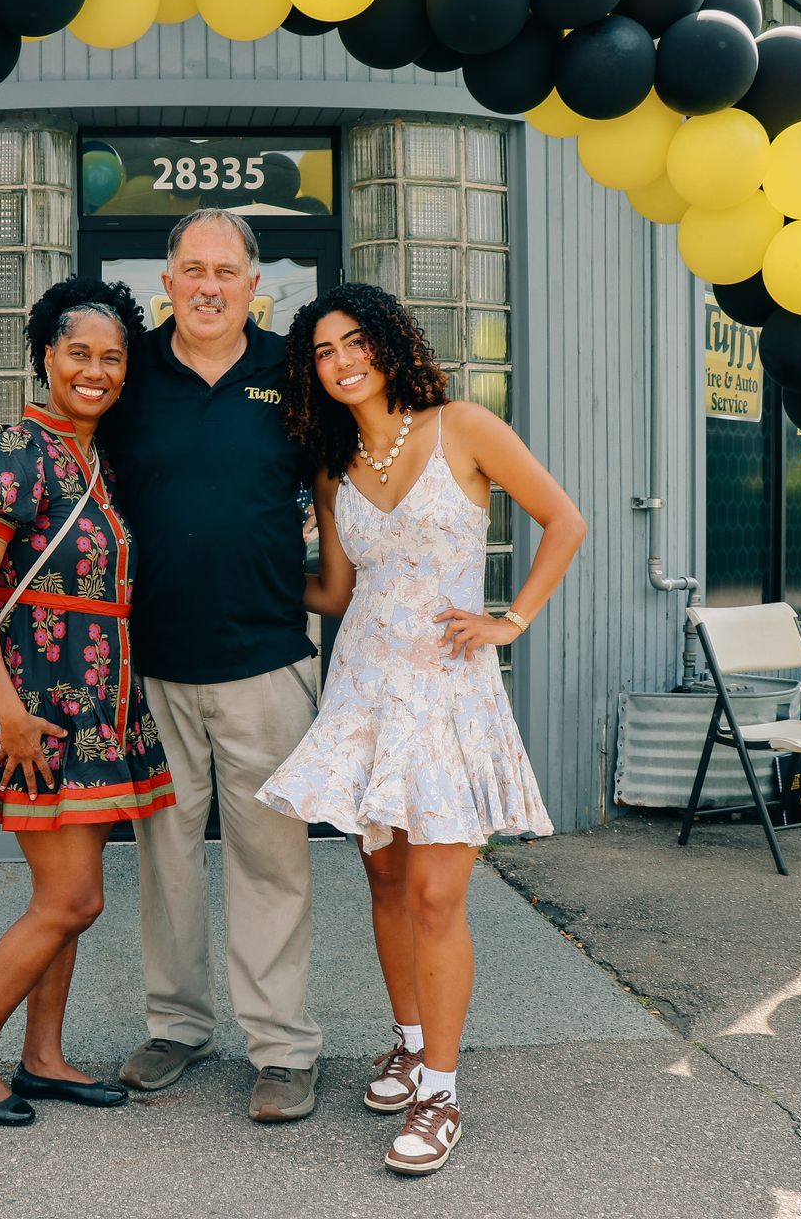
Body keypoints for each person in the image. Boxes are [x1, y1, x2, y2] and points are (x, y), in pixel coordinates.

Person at [257, 283, 586, 1176]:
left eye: (354, 341)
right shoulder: (330, 470)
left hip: (447, 695)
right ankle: (408, 1044)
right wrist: (236, 568)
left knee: (439, 894)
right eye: (323, 352)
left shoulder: (464, 427)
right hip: (364, 691)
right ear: (311, 371)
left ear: (390, 343)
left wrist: (511, 619)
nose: (342, 361)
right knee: (387, 882)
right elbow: (333, 592)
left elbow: (566, 521)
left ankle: (440, 1094)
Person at [0, 276, 174, 1127]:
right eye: (78, 353)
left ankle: (44, 1056)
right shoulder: (13, 449)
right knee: (72, 900)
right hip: (34, 711)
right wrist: (12, 714)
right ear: (46, 358)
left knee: (72, 895)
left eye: (111, 357)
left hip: (92, 711)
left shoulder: (91, 459)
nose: (95, 370)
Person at [98, 209, 325, 1122]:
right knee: (166, 859)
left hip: (265, 658)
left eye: (225, 271)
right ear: (166, 281)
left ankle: (280, 1047)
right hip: (150, 665)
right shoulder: (127, 374)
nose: (207, 285)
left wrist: (332, 591)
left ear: (252, 285)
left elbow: (344, 492)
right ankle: (177, 1026)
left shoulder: (294, 373)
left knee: (272, 861)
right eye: (191, 268)